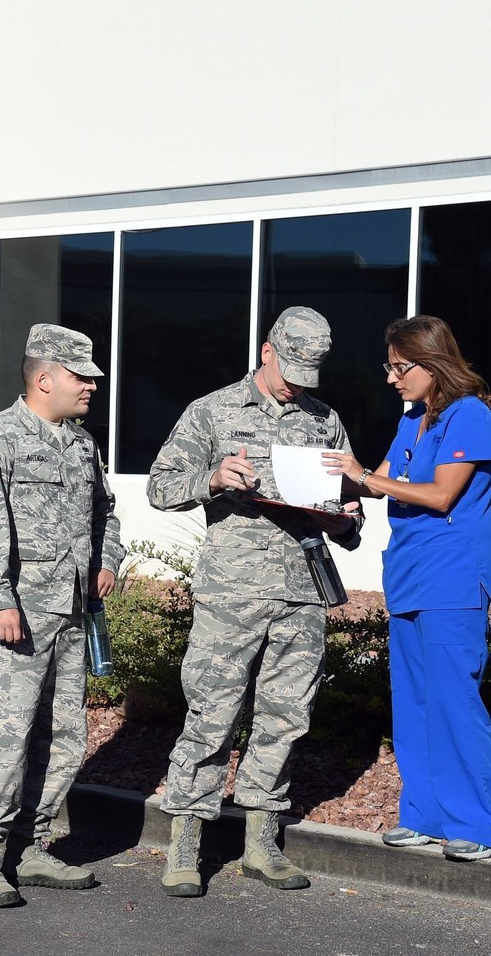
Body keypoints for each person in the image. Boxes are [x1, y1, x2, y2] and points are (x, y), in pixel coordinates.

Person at [147, 306, 363, 896]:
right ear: (267, 350)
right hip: (232, 593)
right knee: (211, 714)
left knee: (286, 717)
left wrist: (347, 517)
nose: (297, 383)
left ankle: (261, 845)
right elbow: (161, 487)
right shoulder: (212, 410)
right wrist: (213, 479)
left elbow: (349, 504)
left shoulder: (325, 421)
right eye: (290, 366)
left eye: (308, 372)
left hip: (302, 590)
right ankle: (184, 847)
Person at [0, 324, 123, 907]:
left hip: (71, 613)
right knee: (5, 734)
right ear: (44, 378)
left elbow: (105, 511)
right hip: (15, 613)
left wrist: (107, 560)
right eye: (82, 377)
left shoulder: (80, 444)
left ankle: (30, 844)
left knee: (66, 737)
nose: (92, 387)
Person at [323, 315, 491, 862]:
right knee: (414, 702)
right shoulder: (412, 420)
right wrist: (323, 481)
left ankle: (476, 824)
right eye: (388, 368)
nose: (392, 379)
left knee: (454, 698)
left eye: (400, 368)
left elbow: (441, 495)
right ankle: (422, 816)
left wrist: (367, 479)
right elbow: (378, 478)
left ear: (433, 362)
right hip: (409, 577)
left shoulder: (470, 415)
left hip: (452, 579)